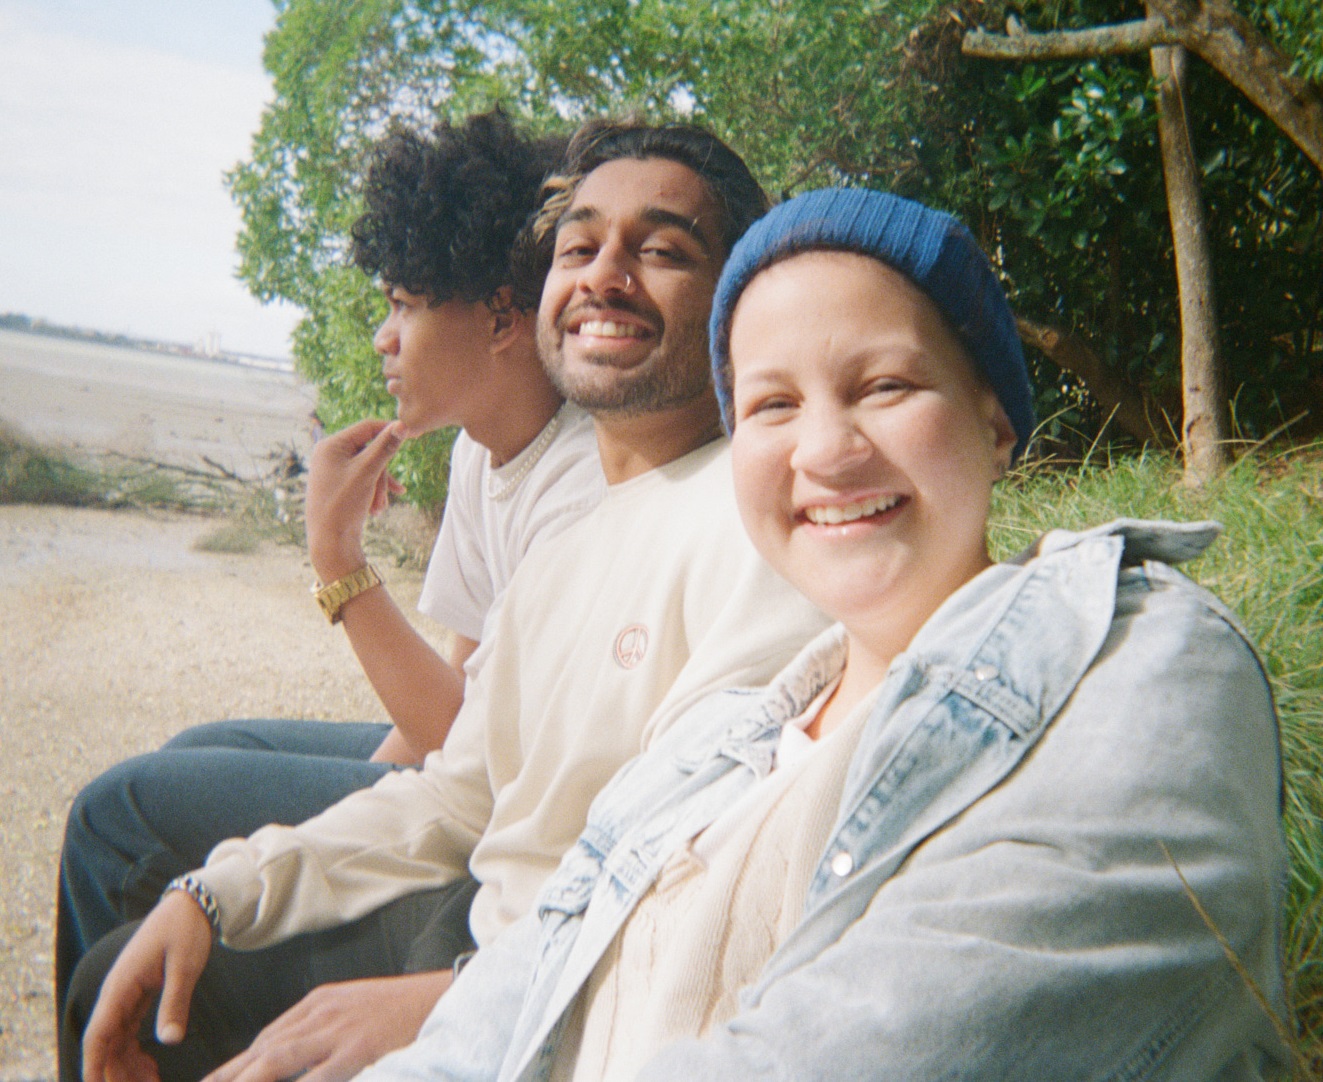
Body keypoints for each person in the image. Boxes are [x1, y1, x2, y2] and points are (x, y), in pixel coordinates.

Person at [360, 187, 1291, 1081]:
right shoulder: (711, 744)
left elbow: (905, 1038)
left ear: (995, 421)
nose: (826, 452)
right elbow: (522, 982)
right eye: (771, 405)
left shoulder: (1143, 656)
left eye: (883, 385)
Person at [71, 121, 830, 1082]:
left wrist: (448, 1000)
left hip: (532, 991)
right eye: (578, 246)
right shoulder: (566, 550)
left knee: (126, 842)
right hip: (489, 928)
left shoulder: (753, 520)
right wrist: (219, 891)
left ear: (735, 301)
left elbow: (698, 892)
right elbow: (459, 783)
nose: (604, 275)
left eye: (662, 249)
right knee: (130, 969)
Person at [53, 109, 607, 1029]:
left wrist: (338, 563)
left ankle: (137, 1025)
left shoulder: (582, 479)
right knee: (190, 754)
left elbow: (465, 745)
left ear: (504, 316)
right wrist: (337, 815)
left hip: (504, 797)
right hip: (462, 749)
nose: (384, 339)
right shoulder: (482, 447)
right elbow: (450, 696)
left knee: (116, 813)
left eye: (403, 304)